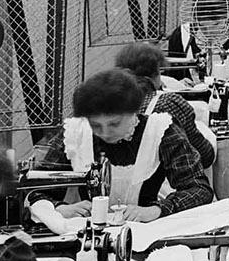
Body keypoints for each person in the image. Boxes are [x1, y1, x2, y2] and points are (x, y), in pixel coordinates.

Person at [38, 69, 215, 219]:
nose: (105, 133)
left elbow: (198, 189)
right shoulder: (75, 133)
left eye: (114, 124)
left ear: (134, 113)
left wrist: (157, 210)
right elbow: (37, 188)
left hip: (146, 229)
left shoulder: (161, 131)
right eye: (96, 125)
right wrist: (59, 208)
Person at [113, 41, 218, 168]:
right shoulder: (171, 104)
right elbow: (205, 156)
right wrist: (207, 133)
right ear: (156, 73)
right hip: (169, 185)